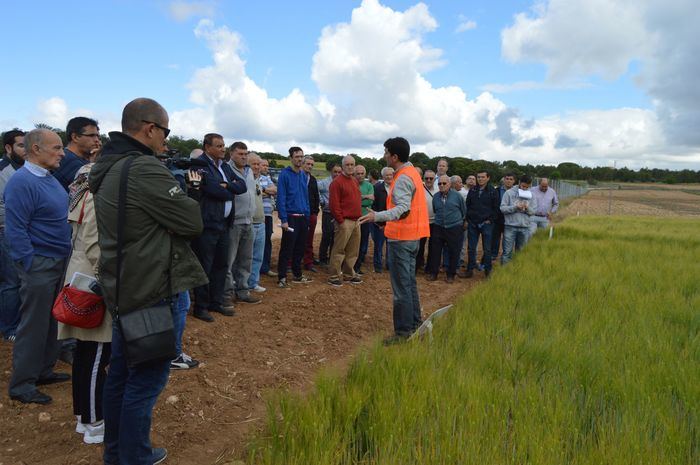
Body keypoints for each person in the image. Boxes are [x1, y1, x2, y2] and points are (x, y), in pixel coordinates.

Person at [89, 98, 207, 465]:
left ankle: (116, 453)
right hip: (152, 285)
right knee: (148, 377)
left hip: (122, 282)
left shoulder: (107, 166)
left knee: (122, 373)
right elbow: (191, 222)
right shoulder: (144, 169)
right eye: (166, 132)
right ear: (149, 128)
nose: (166, 141)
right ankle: (136, 456)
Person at [4, 128, 71, 405]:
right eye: (56, 148)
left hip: (58, 260)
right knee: (34, 323)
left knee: (54, 318)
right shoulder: (22, 182)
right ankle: (22, 384)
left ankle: (43, 370)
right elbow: (15, 230)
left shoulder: (48, 178)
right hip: (40, 263)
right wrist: (29, 263)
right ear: (36, 149)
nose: (62, 153)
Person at [57, 163, 112, 444]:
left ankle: (84, 415)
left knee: (86, 353)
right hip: (93, 280)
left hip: (83, 275)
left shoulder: (80, 195)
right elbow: (94, 242)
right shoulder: (92, 197)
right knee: (96, 354)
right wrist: (109, 281)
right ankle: (94, 422)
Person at [359, 137, 429, 344]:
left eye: (386, 152)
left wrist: (377, 216)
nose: (384, 156)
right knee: (409, 285)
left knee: (401, 290)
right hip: (412, 237)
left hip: (402, 240)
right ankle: (416, 325)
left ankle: (403, 334)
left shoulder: (403, 178)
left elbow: (403, 209)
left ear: (394, 156)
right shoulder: (412, 173)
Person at [190, 134, 246, 323]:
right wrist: (229, 189)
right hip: (207, 225)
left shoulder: (224, 167)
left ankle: (216, 301)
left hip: (224, 225)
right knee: (205, 266)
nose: (223, 149)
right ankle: (201, 307)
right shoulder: (199, 165)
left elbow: (243, 186)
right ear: (207, 147)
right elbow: (213, 189)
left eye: (224, 145)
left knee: (221, 265)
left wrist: (227, 186)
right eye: (219, 146)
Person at [225, 142, 261, 305]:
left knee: (246, 259)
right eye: (240, 154)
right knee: (229, 261)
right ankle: (226, 294)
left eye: (246, 154)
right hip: (233, 222)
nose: (244, 157)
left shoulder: (249, 172)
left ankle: (243, 290)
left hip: (249, 221)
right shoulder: (226, 170)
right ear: (231, 153)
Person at [0, 129, 25, 342]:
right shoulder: (3, 170)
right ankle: (10, 328)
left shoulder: (24, 168)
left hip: (23, 230)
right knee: (11, 281)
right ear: (8, 148)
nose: (25, 150)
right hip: (7, 230)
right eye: (20, 146)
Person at [276, 147, 312, 288]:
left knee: (300, 248)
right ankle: (282, 276)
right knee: (287, 248)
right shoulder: (284, 175)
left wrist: (307, 216)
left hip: (303, 217)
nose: (300, 159)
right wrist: (283, 219)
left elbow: (305, 197)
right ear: (291, 158)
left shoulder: (303, 175)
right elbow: (281, 198)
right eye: (297, 156)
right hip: (290, 217)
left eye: (301, 156)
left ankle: (297, 274)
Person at [328, 155, 362, 287]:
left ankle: (348, 273)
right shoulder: (337, 182)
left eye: (352, 164)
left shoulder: (354, 181)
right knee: (339, 250)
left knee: (353, 250)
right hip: (344, 221)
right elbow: (334, 204)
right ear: (343, 166)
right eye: (347, 165)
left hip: (355, 220)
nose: (350, 167)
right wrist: (341, 221)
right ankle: (334, 276)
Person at [427, 175, 466, 283]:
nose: (442, 185)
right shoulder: (435, 197)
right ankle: (433, 273)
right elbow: (436, 210)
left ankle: (451, 275)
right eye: (440, 183)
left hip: (454, 227)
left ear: (449, 184)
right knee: (435, 251)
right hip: (439, 226)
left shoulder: (457, 196)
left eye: (444, 183)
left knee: (454, 251)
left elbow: (463, 211)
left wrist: (461, 222)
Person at [464, 170, 499, 278]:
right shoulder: (473, 190)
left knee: (487, 249)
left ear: (488, 178)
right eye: (478, 177)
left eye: (483, 177)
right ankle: (470, 270)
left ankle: (488, 271)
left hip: (486, 224)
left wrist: (490, 220)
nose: (480, 179)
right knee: (471, 248)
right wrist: (468, 219)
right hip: (473, 223)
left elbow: (496, 208)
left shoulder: (493, 191)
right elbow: (468, 205)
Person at [53, 117, 101, 191]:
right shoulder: (68, 160)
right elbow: (93, 189)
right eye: (91, 135)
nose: (97, 140)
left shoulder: (81, 160)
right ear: (75, 137)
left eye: (98, 136)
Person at [500, 174, 537, 264]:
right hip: (510, 227)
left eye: (527, 187)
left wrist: (527, 208)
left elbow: (533, 212)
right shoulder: (509, 193)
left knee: (520, 252)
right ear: (519, 182)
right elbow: (502, 208)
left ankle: (517, 270)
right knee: (507, 252)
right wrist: (515, 207)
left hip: (525, 227)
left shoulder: (532, 195)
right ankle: (505, 272)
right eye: (523, 186)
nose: (524, 188)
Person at [246, 153, 267, 292]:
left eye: (258, 164)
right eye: (254, 164)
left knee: (258, 256)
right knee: (246, 257)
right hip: (249, 223)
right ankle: (242, 284)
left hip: (261, 222)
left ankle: (253, 283)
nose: (257, 167)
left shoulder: (258, 180)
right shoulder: (245, 180)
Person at [317, 162, 342, 267]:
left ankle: (332, 258)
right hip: (328, 213)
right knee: (326, 236)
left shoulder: (341, 182)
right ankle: (322, 259)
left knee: (335, 237)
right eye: (335, 172)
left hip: (338, 214)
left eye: (339, 172)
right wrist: (322, 201)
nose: (337, 174)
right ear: (331, 172)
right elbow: (314, 189)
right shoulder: (324, 182)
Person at [371, 166, 393, 273]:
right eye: (387, 175)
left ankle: (389, 265)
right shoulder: (377, 188)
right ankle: (378, 266)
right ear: (383, 177)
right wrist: (379, 222)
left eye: (390, 175)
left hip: (393, 223)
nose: (389, 177)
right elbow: (374, 206)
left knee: (391, 246)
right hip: (380, 224)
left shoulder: (397, 187)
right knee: (378, 246)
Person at [353, 164, 374, 275]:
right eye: (358, 174)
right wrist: (365, 197)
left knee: (363, 244)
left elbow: (370, 202)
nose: (360, 176)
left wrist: (360, 197)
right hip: (353, 218)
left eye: (362, 173)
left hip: (365, 219)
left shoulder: (369, 185)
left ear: (365, 174)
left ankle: (357, 266)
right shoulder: (351, 183)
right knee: (352, 244)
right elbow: (352, 201)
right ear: (354, 174)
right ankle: (348, 266)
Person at [258, 158, 277, 277]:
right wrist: (266, 192)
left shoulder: (267, 178)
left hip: (268, 215)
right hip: (257, 215)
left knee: (267, 241)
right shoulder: (253, 178)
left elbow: (274, 190)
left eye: (267, 166)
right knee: (256, 242)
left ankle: (265, 267)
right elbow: (254, 192)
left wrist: (262, 190)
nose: (266, 167)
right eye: (263, 165)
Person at [491, 172, 516, 259]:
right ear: (504, 180)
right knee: (495, 239)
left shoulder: (517, 192)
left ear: (514, 181)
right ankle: (493, 255)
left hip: (510, 219)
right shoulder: (496, 190)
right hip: (497, 219)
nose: (508, 181)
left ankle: (505, 256)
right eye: (507, 179)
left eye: (511, 179)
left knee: (507, 240)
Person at [302, 155, 320, 273]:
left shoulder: (312, 179)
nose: (310, 166)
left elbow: (316, 196)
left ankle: (308, 262)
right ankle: (291, 262)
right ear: (303, 164)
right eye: (308, 164)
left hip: (311, 214)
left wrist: (315, 212)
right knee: (295, 239)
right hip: (299, 213)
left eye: (312, 164)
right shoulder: (297, 177)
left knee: (309, 240)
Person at [416, 169, 436, 273]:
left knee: (433, 246)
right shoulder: (419, 188)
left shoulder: (438, 188)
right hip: (422, 222)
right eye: (426, 178)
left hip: (435, 223)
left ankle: (429, 268)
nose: (428, 180)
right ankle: (418, 265)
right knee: (420, 246)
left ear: (434, 178)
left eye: (431, 178)